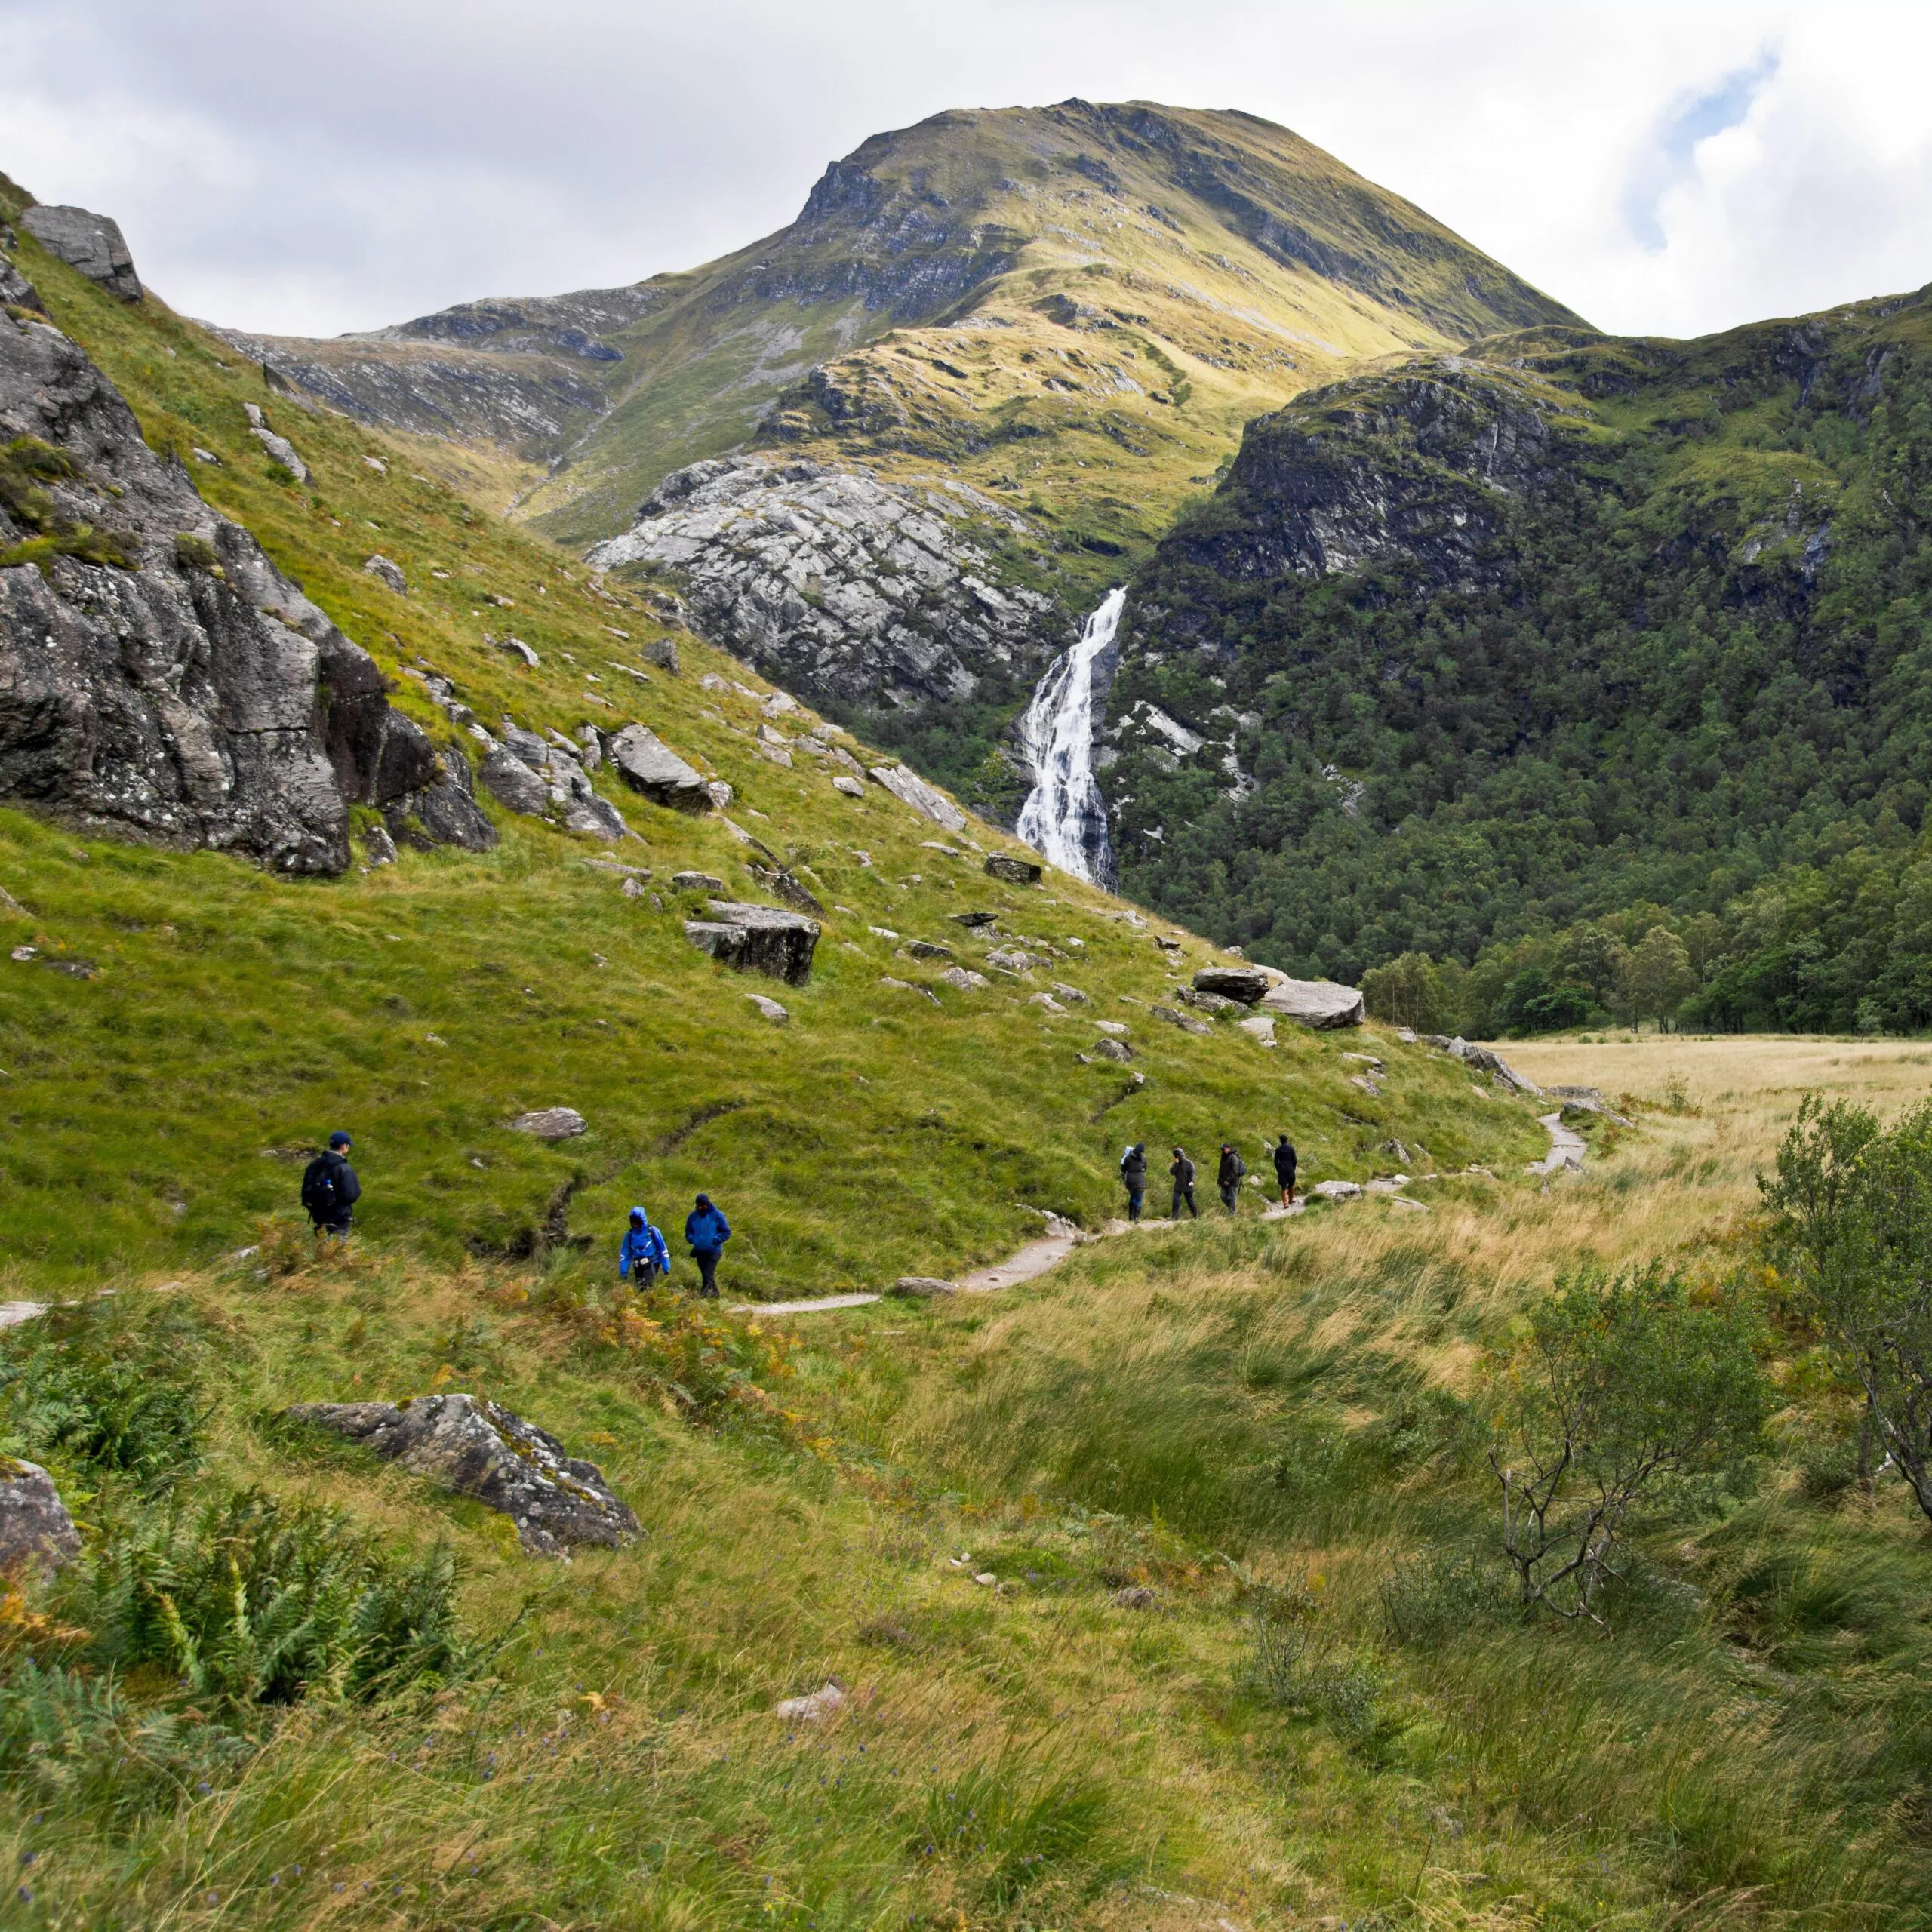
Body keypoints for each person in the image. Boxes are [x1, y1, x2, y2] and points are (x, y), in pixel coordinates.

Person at [300, 1131, 361, 1237]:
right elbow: (352, 1195)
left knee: (322, 1247)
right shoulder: (344, 1168)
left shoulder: (315, 1164)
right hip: (339, 1219)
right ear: (343, 1147)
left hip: (318, 1216)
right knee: (337, 1251)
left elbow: (307, 1189)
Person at [685, 1192, 731, 1298]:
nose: (700, 1208)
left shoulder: (718, 1215)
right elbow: (688, 1231)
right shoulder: (693, 1217)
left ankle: (702, 1296)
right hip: (699, 1250)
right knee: (705, 1274)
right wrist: (692, 1239)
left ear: (708, 1204)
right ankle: (715, 1295)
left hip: (714, 1251)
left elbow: (726, 1232)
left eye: (703, 1206)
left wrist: (715, 1240)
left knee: (708, 1274)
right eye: (698, 1206)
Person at [619, 1205, 670, 1286]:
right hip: (638, 1264)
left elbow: (662, 1248)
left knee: (647, 1284)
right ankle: (644, 1298)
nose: (635, 1223)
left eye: (637, 1221)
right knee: (641, 1286)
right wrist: (624, 1271)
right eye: (633, 1221)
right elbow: (625, 1253)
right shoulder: (630, 1235)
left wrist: (666, 1267)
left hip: (653, 1262)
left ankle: (649, 1296)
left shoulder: (652, 1230)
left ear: (642, 1220)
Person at [1120, 1142, 1148, 1221]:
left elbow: (1123, 1169)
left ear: (1135, 1148)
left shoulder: (1128, 1158)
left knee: (1132, 1198)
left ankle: (1131, 1216)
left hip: (1130, 1180)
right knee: (1139, 1200)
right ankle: (1136, 1218)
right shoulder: (1144, 1159)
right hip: (1141, 1180)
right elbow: (1145, 1169)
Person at [1168, 1146, 1198, 1220]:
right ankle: (1174, 1217)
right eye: (1176, 1156)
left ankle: (1196, 1216)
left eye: (1178, 1155)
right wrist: (1176, 1164)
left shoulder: (1189, 1163)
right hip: (1178, 1185)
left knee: (1190, 1201)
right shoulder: (1176, 1164)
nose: (1177, 1157)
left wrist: (1192, 1181)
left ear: (1182, 1155)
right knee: (1176, 1200)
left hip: (1188, 1185)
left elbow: (1193, 1173)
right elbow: (1172, 1172)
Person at [1217, 1142, 1246, 1212]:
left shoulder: (1234, 1157)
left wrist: (1228, 1180)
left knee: (1232, 1198)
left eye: (1223, 1149)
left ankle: (1232, 1214)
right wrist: (1219, 1180)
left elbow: (1235, 1171)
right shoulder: (1223, 1157)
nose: (1222, 1150)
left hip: (1233, 1182)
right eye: (1221, 1149)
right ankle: (1232, 1209)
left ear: (1228, 1149)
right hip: (1223, 1181)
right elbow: (1221, 1170)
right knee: (1223, 1196)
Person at [1273, 1132, 1298, 1208]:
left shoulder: (1278, 1150)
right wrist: (1293, 1167)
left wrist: (1278, 1169)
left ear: (1280, 1141)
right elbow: (1295, 1159)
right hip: (1290, 1168)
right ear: (1287, 1140)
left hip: (1282, 1168)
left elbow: (1275, 1162)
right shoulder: (1291, 1148)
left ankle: (1286, 1203)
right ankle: (1291, 1199)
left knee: (1284, 1186)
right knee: (1291, 1184)